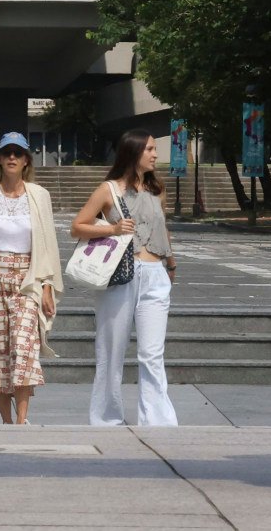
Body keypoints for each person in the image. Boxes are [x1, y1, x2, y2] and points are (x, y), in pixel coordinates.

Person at [73, 130, 178, 427]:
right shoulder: (108, 190)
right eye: (150, 149)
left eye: (154, 149)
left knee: (152, 353)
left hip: (155, 274)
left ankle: (159, 420)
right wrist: (112, 230)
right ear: (132, 153)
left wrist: (170, 263)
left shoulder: (157, 189)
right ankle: (106, 418)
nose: (155, 155)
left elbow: (163, 228)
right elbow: (77, 226)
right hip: (121, 276)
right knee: (111, 350)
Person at [0, 133, 62, 424]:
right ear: (0, 159)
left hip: (28, 277)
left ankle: (22, 421)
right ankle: (7, 420)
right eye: (7, 153)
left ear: (27, 159)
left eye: (18, 153)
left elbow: (48, 245)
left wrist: (48, 287)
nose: (12, 158)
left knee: (24, 344)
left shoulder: (39, 195)